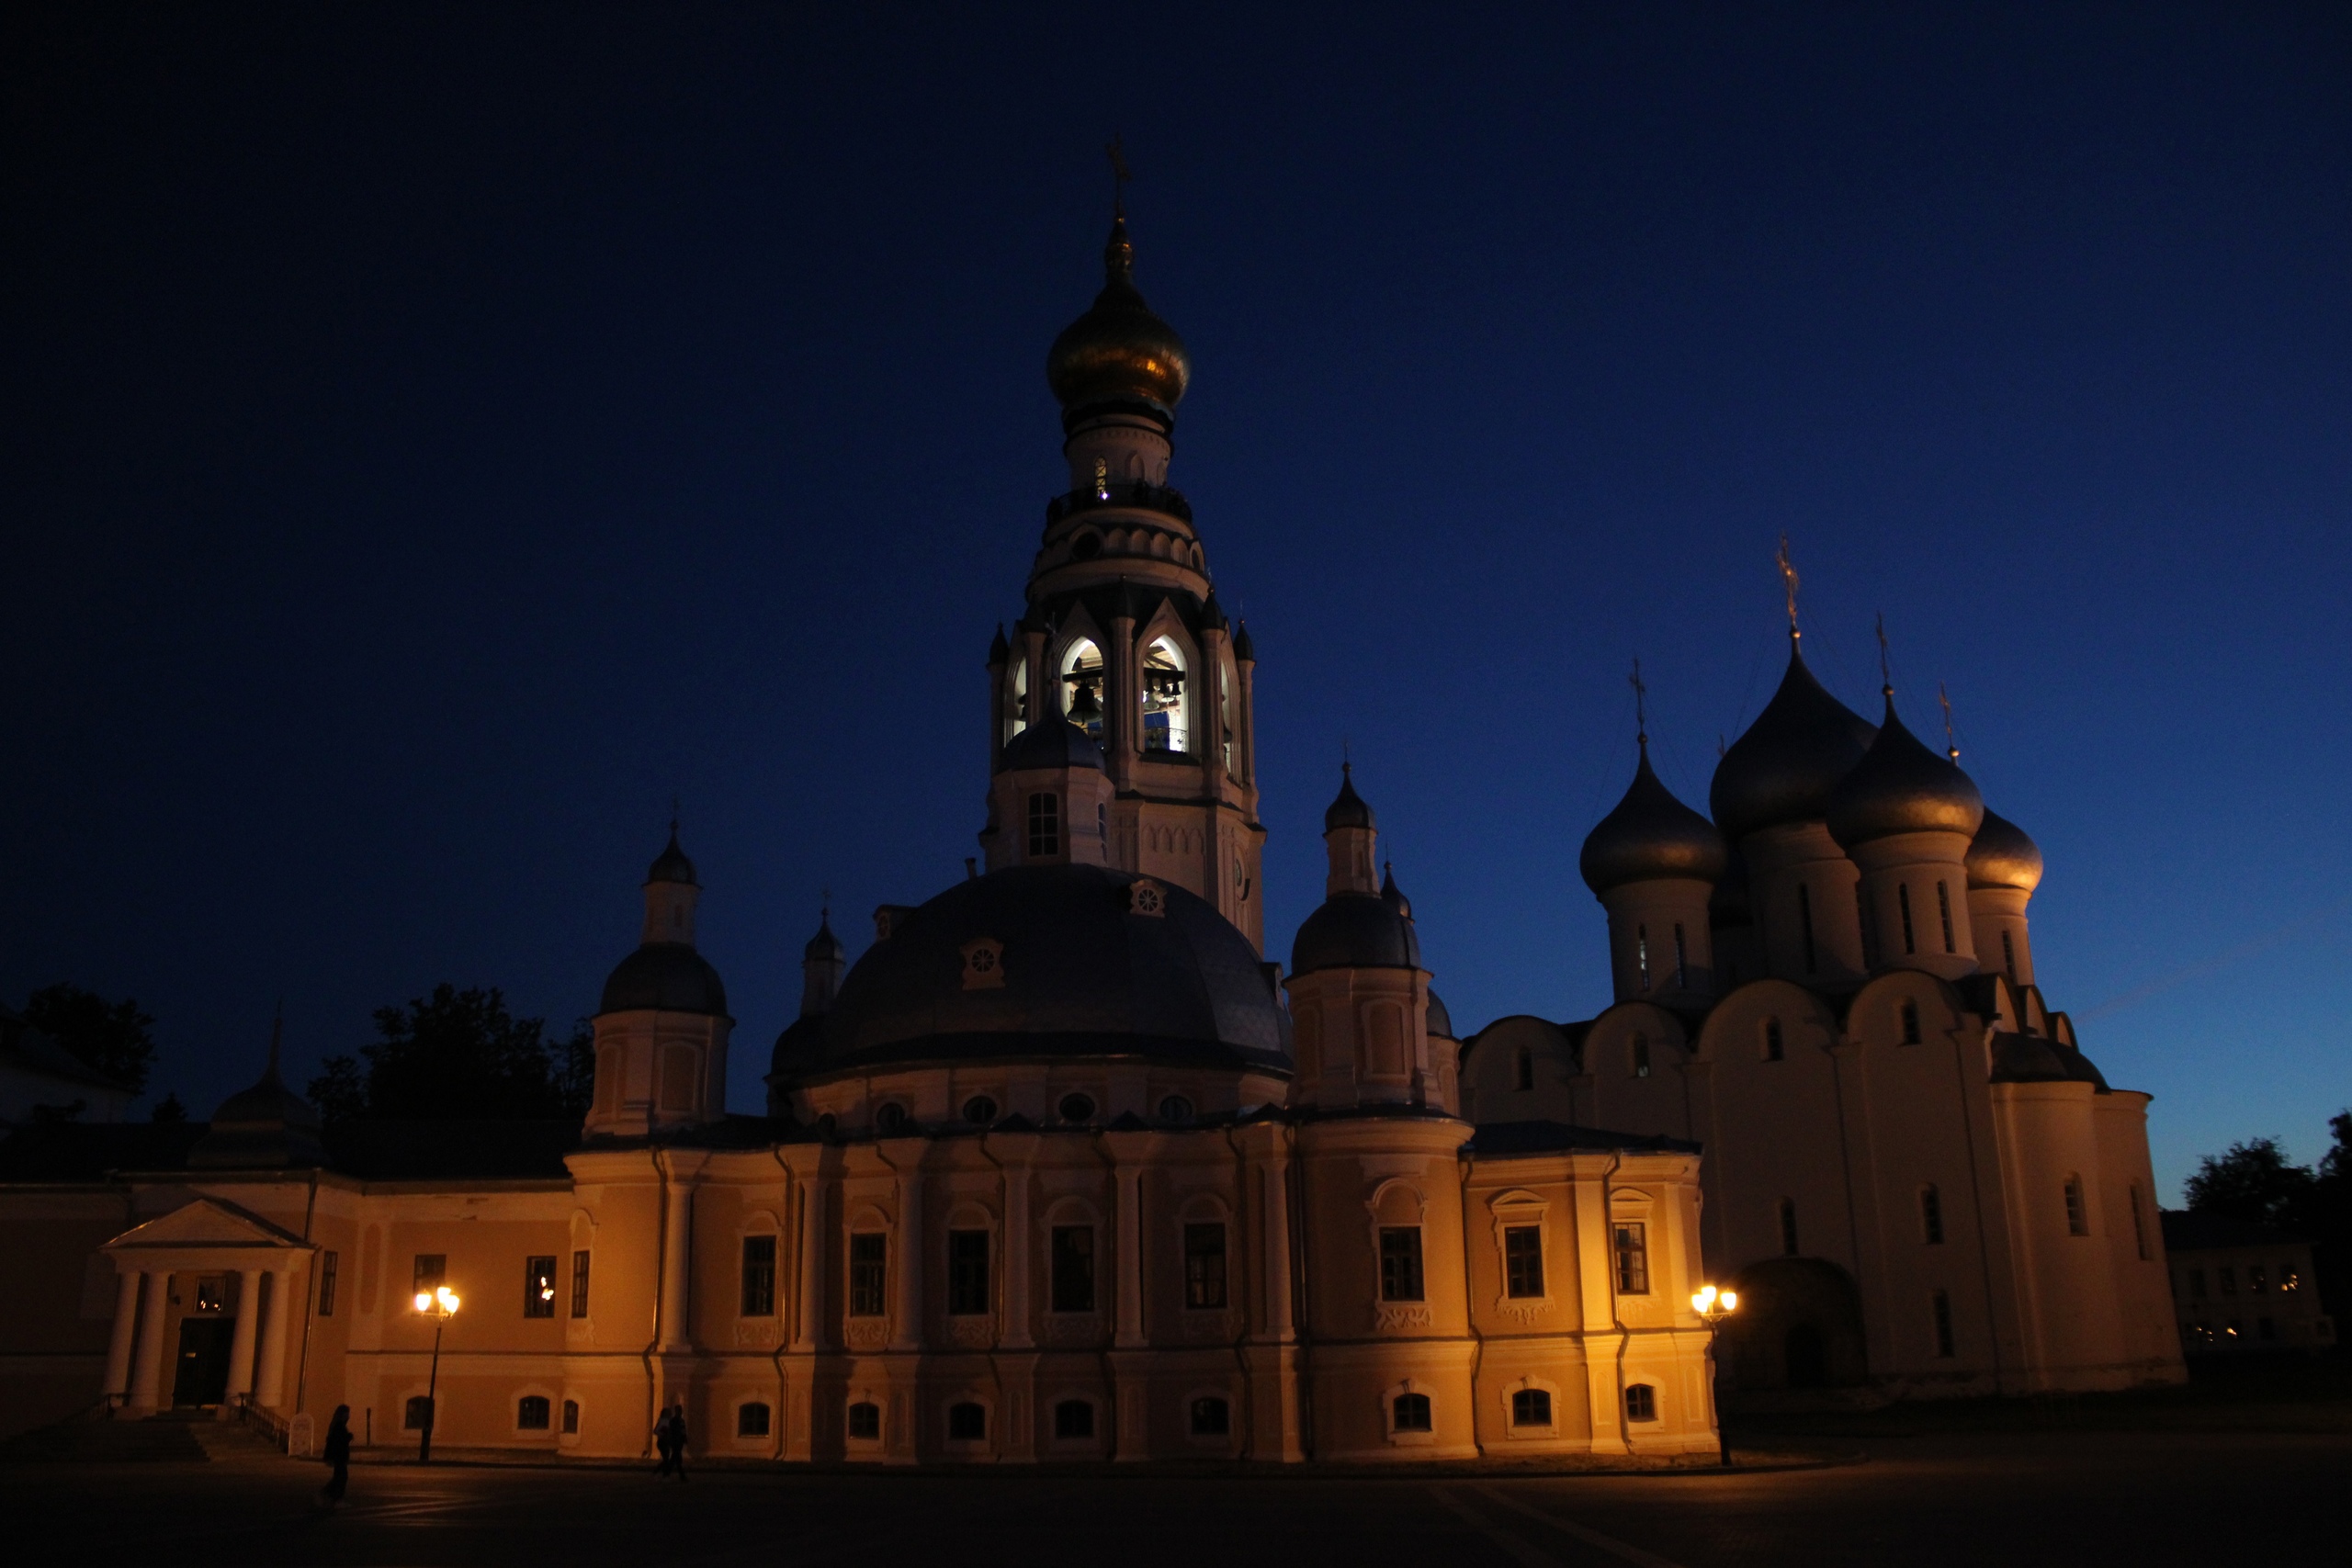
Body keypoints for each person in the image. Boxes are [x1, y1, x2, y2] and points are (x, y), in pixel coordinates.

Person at [320, 1405, 353, 1508]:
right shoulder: (339, 1425)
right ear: (342, 1414)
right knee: (341, 1478)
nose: (349, 1415)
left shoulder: (338, 1424)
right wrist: (349, 1436)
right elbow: (339, 1440)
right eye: (347, 1413)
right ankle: (336, 1499)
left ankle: (326, 1495)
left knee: (338, 1478)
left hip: (339, 1455)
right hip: (339, 1455)